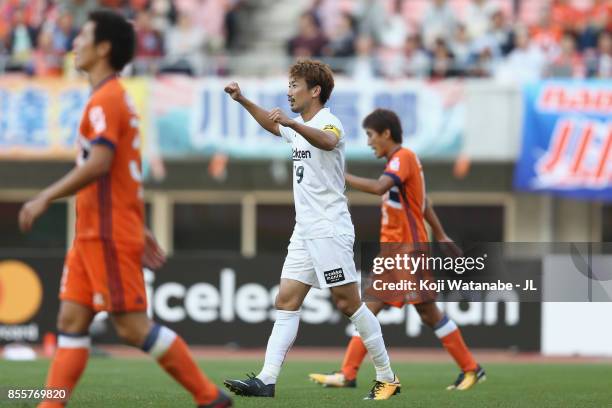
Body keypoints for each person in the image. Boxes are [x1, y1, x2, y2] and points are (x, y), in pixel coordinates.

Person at [18, 10, 231, 408]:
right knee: (70, 321)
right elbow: (123, 174)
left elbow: (99, 164)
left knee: (132, 328)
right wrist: (140, 223)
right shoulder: (111, 99)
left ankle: (209, 397)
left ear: (103, 48)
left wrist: (45, 196)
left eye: (82, 36)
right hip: (93, 232)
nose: (74, 44)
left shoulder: (108, 99)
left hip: (106, 231)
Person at [222, 60, 400, 401]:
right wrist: (243, 100)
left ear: (314, 90)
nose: (289, 92)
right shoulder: (299, 125)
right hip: (305, 230)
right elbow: (273, 127)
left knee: (349, 303)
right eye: (289, 85)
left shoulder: (327, 121)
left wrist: (291, 123)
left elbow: (328, 142)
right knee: (286, 300)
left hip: (329, 228)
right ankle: (266, 379)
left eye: (295, 85)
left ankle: (387, 376)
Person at [308, 108, 485, 391]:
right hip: (393, 252)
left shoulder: (403, 158)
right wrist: (440, 233)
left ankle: (472, 369)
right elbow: (423, 202)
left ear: (386, 133)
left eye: (370, 135)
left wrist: (340, 175)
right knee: (367, 309)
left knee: (427, 313)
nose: (368, 142)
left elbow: (380, 188)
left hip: (408, 250)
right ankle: (347, 374)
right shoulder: (398, 162)